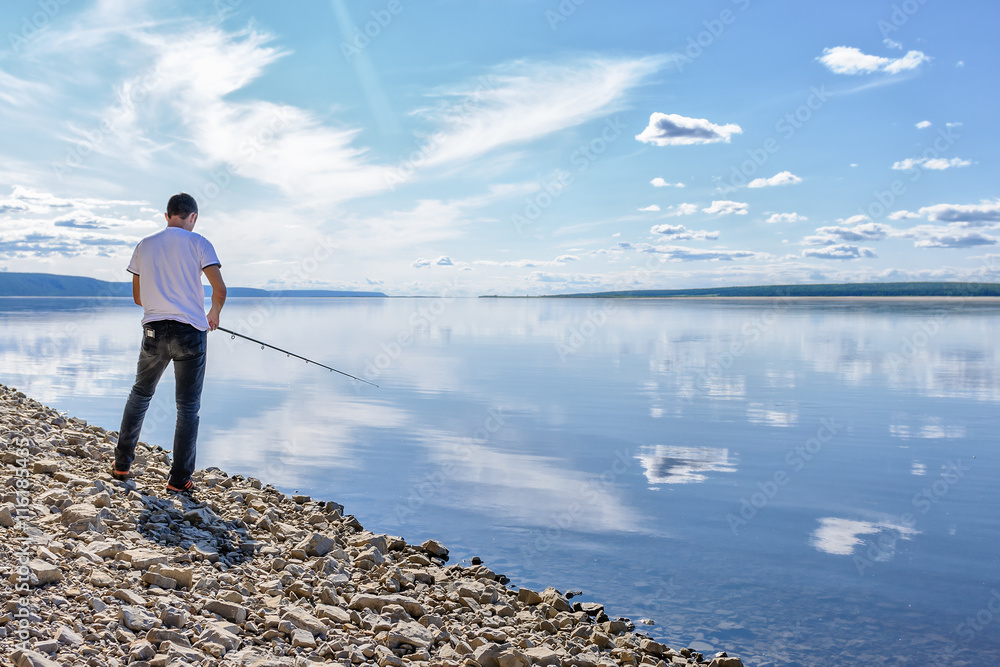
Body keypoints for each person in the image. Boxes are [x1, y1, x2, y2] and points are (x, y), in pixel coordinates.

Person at [111, 192, 227, 494]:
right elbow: (220, 289)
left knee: (140, 394)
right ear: (193, 217)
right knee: (187, 407)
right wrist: (212, 314)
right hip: (190, 332)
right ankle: (178, 480)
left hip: (153, 330)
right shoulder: (200, 242)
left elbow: (138, 298)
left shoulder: (144, 245)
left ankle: (122, 464)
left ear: (167, 216)